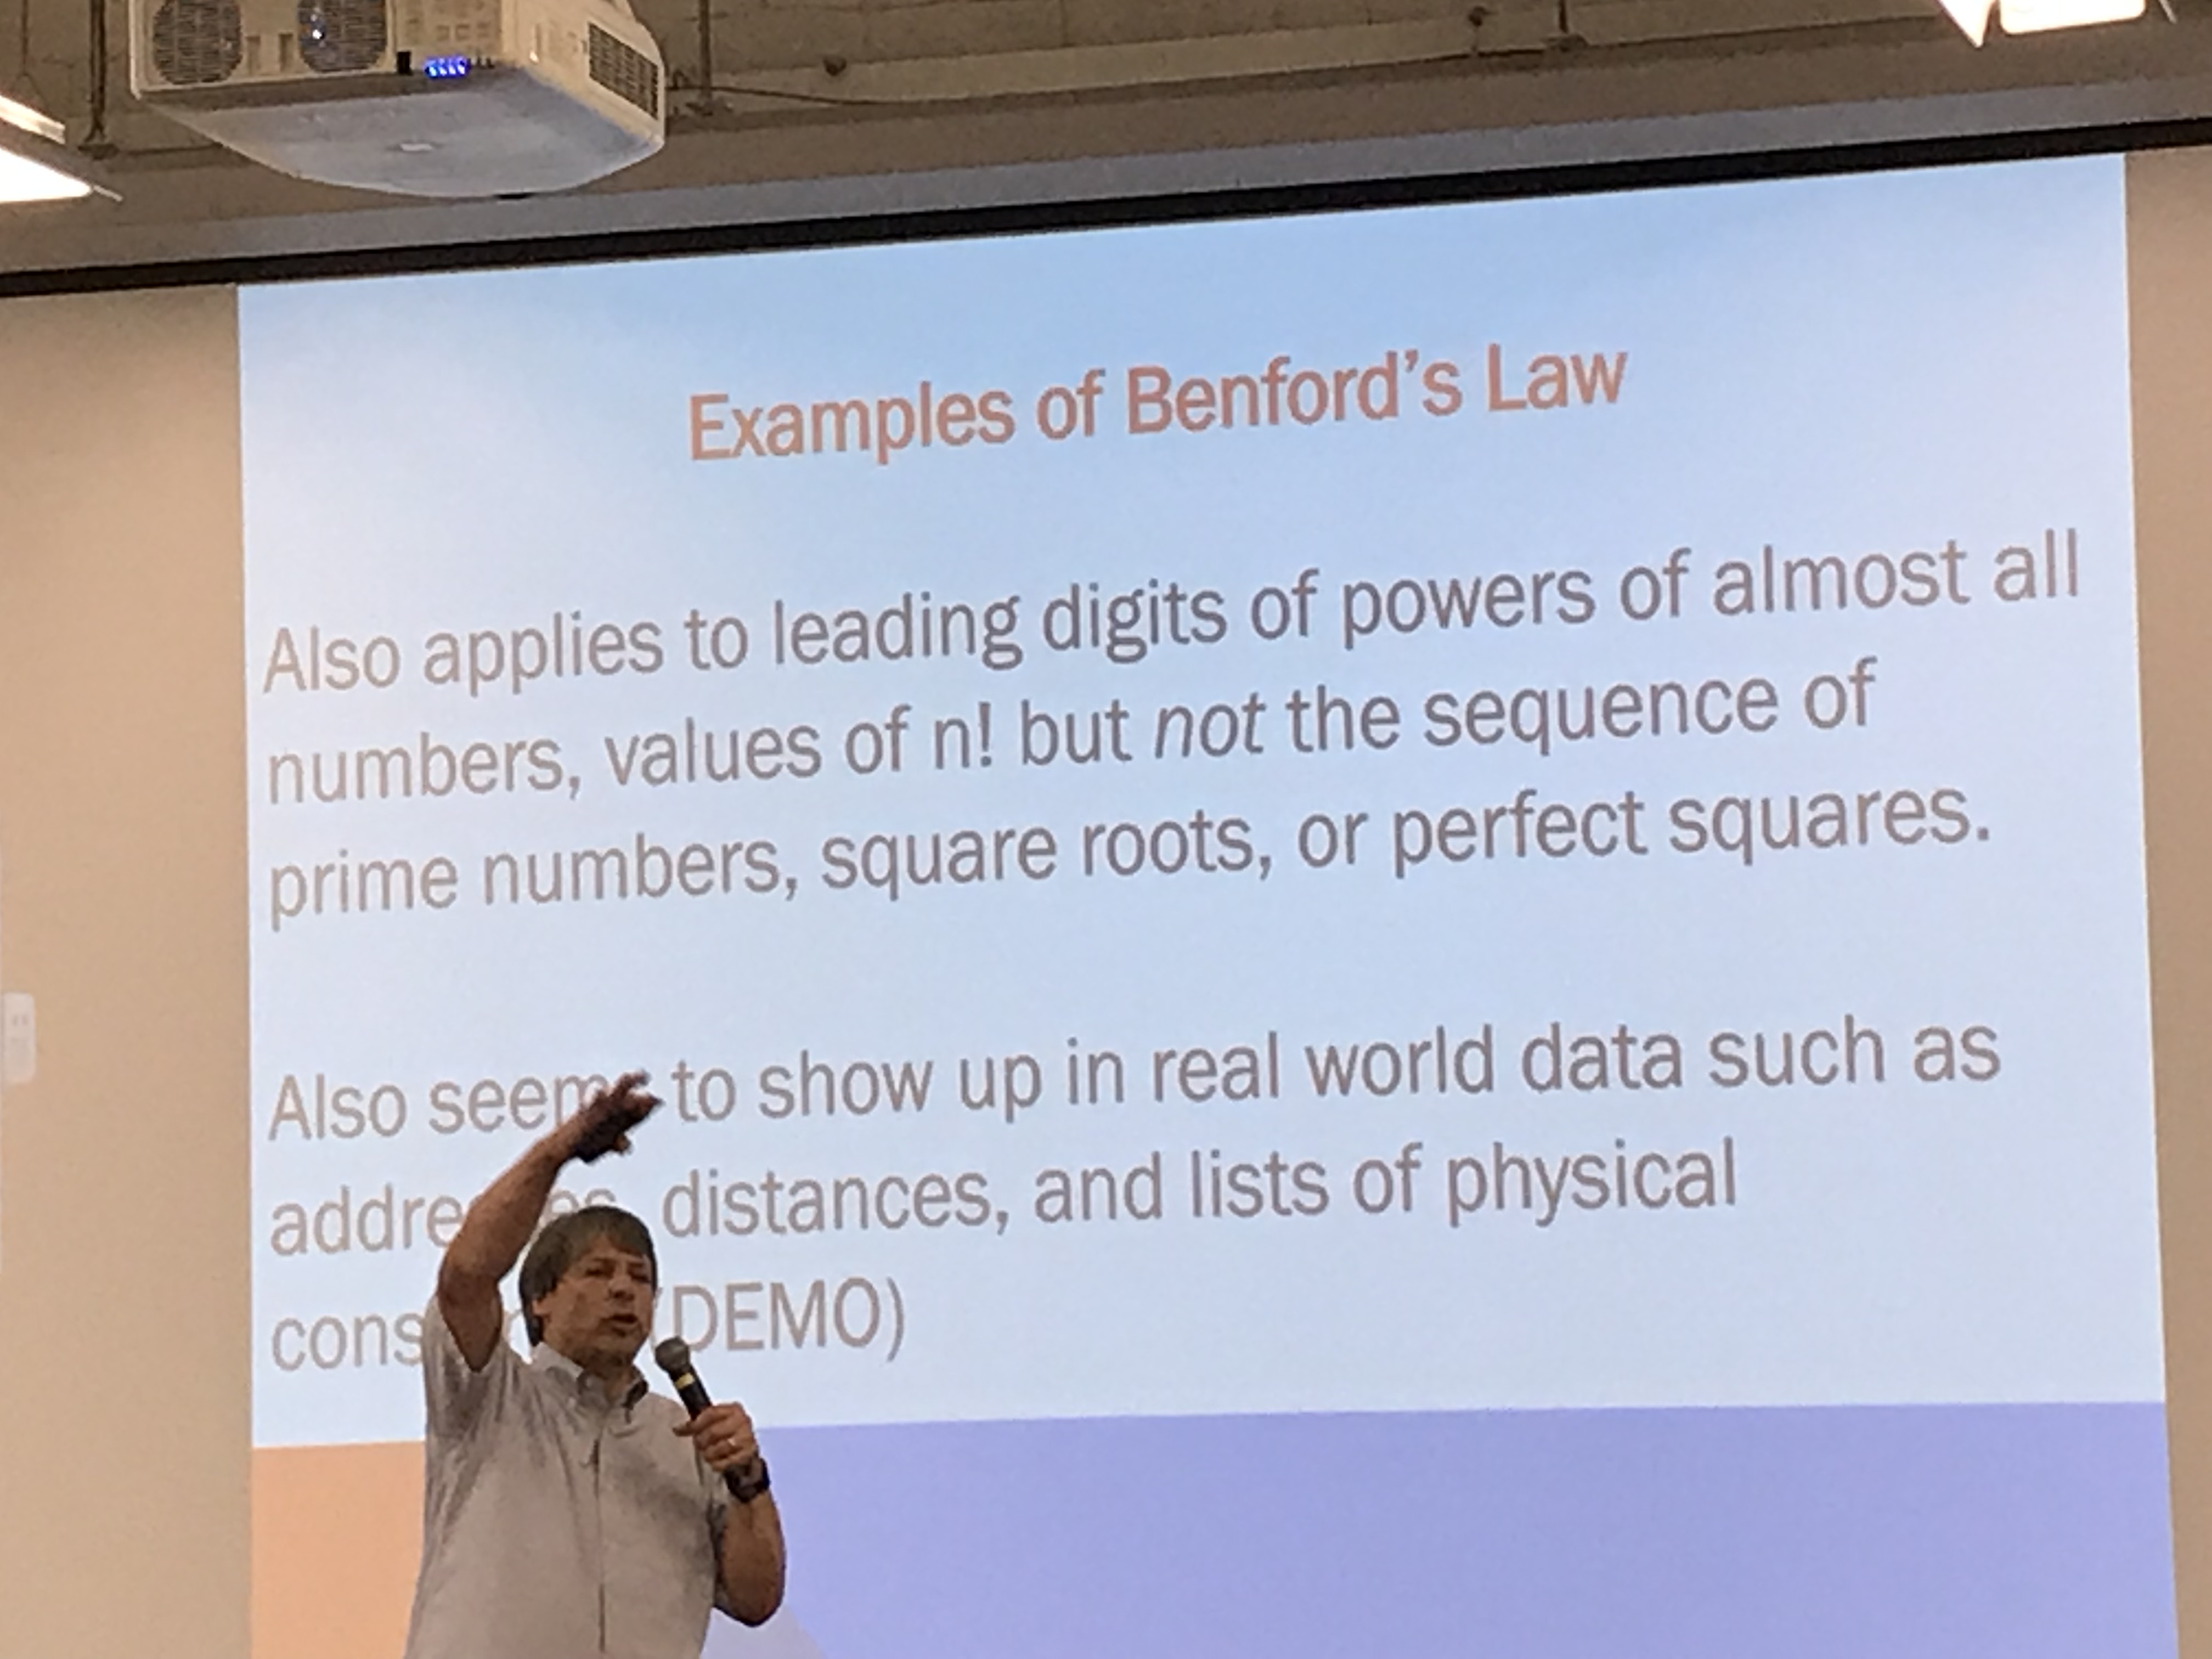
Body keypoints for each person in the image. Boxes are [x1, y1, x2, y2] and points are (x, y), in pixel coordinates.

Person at [402, 1071, 786, 1659]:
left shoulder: (686, 1437)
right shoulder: (490, 1396)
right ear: (541, 1299)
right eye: (598, 1272)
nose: (624, 1290)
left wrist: (749, 1480)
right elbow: (467, 1274)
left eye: (640, 1278)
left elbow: (757, 1600)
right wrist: (558, 1152)